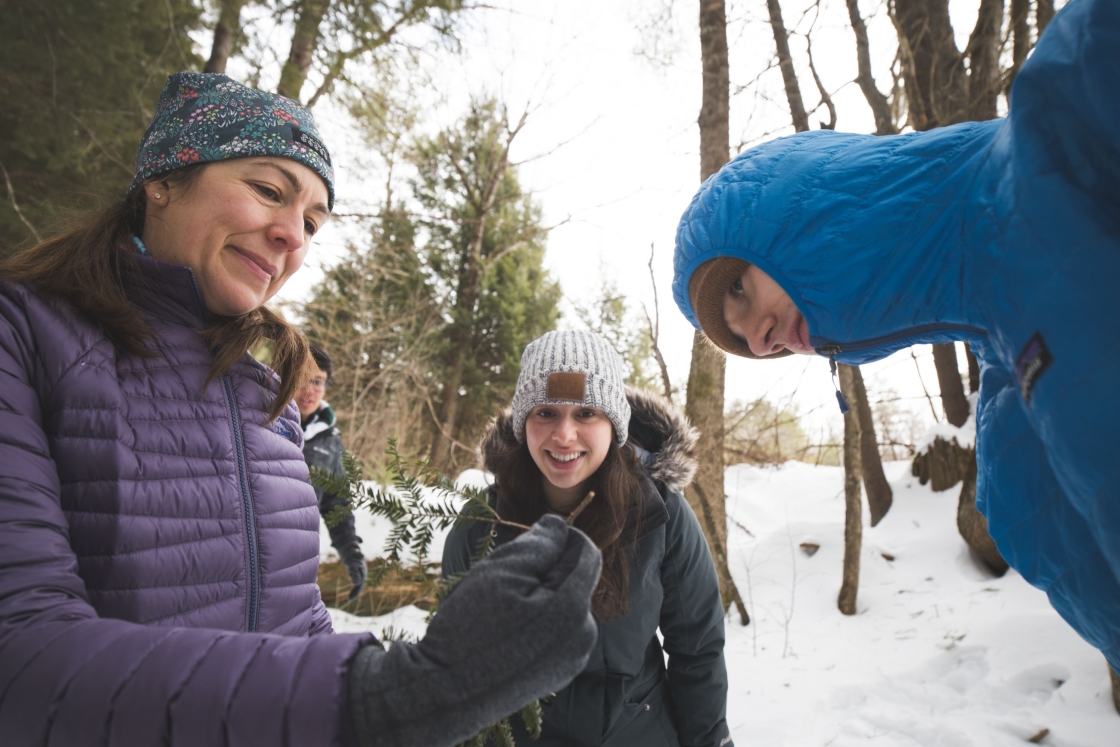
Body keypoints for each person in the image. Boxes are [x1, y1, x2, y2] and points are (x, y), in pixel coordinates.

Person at [0, 71, 602, 747]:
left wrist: (442, 664)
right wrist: (393, 695)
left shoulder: (269, 399)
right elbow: (20, 655)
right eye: (269, 191)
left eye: (313, 222)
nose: (293, 234)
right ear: (163, 178)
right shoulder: (22, 337)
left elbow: (295, 624)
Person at [672, 0, 1120, 671]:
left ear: (809, 195)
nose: (761, 340)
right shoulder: (1006, 438)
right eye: (748, 343)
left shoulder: (1063, 107)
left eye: (738, 289)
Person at [443, 330, 733, 747]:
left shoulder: (659, 515)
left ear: (614, 424)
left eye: (585, 413)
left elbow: (698, 648)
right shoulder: (482, 524)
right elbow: (455, 662)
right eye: (546, 412)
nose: (564, 435)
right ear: (523, 422)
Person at [297, 345, 367, 601]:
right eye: (302, 379)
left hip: (300, 560)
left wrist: (352, 556)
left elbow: (337, 505)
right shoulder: (261, 423)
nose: (309, 390)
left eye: (318, 382)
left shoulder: (330, 441)